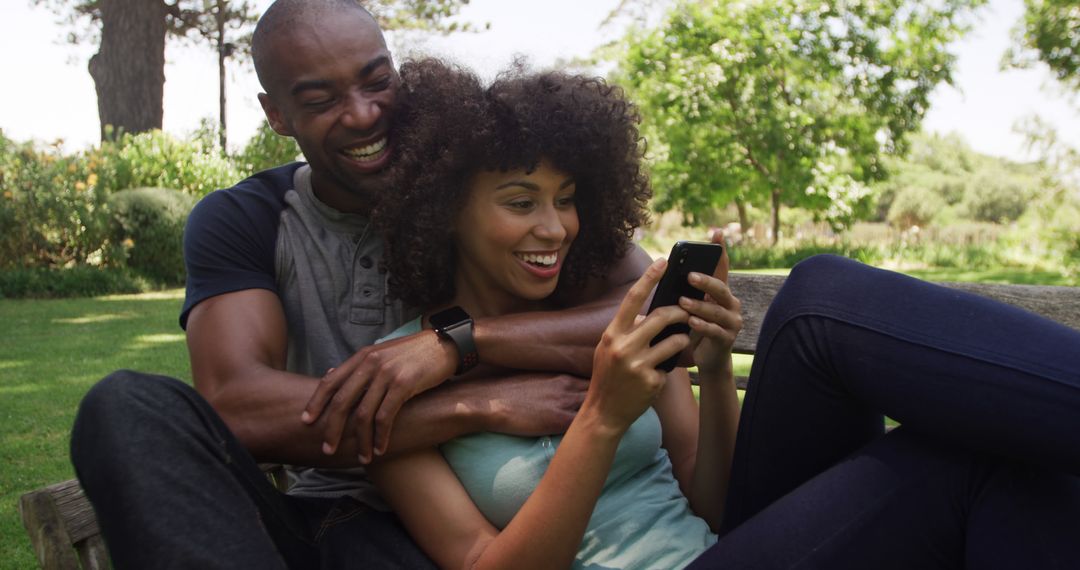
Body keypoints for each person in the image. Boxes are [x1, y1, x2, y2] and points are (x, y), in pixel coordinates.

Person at [334, 58, 1080, 569]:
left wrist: (715, 368)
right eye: (521, 202)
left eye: (566, 201)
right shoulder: (392, 382)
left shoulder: (620, 322)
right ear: (443, 213)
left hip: (728, 550)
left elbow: (716, 505)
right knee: (955, 457)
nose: (556, 228)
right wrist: (600, 418)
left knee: (832, 311)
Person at [68, 1, 651, 568]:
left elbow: (650, 299)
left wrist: (456, 342)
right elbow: (236, 405)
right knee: (122, 404)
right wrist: (473, 405)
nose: (363, 113)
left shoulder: (478, 196)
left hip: (456, 523)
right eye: (321, 99)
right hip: (309, 514)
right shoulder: (244, 219)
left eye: (377, 82)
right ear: (276, 115)